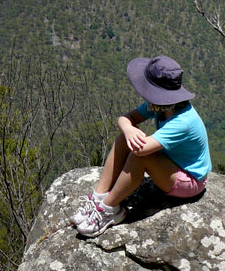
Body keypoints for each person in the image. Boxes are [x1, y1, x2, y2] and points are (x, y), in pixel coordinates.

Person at [70, 55, 211, 237]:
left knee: (140, 158)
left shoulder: (183, 121)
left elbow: (140, 150)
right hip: (172, 163)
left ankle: (109, 209)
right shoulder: (163, 106)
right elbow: (125, 118)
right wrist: (128, 130)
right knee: (124, 139)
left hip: (191, 181)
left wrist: (131, 131)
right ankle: (98, 197)